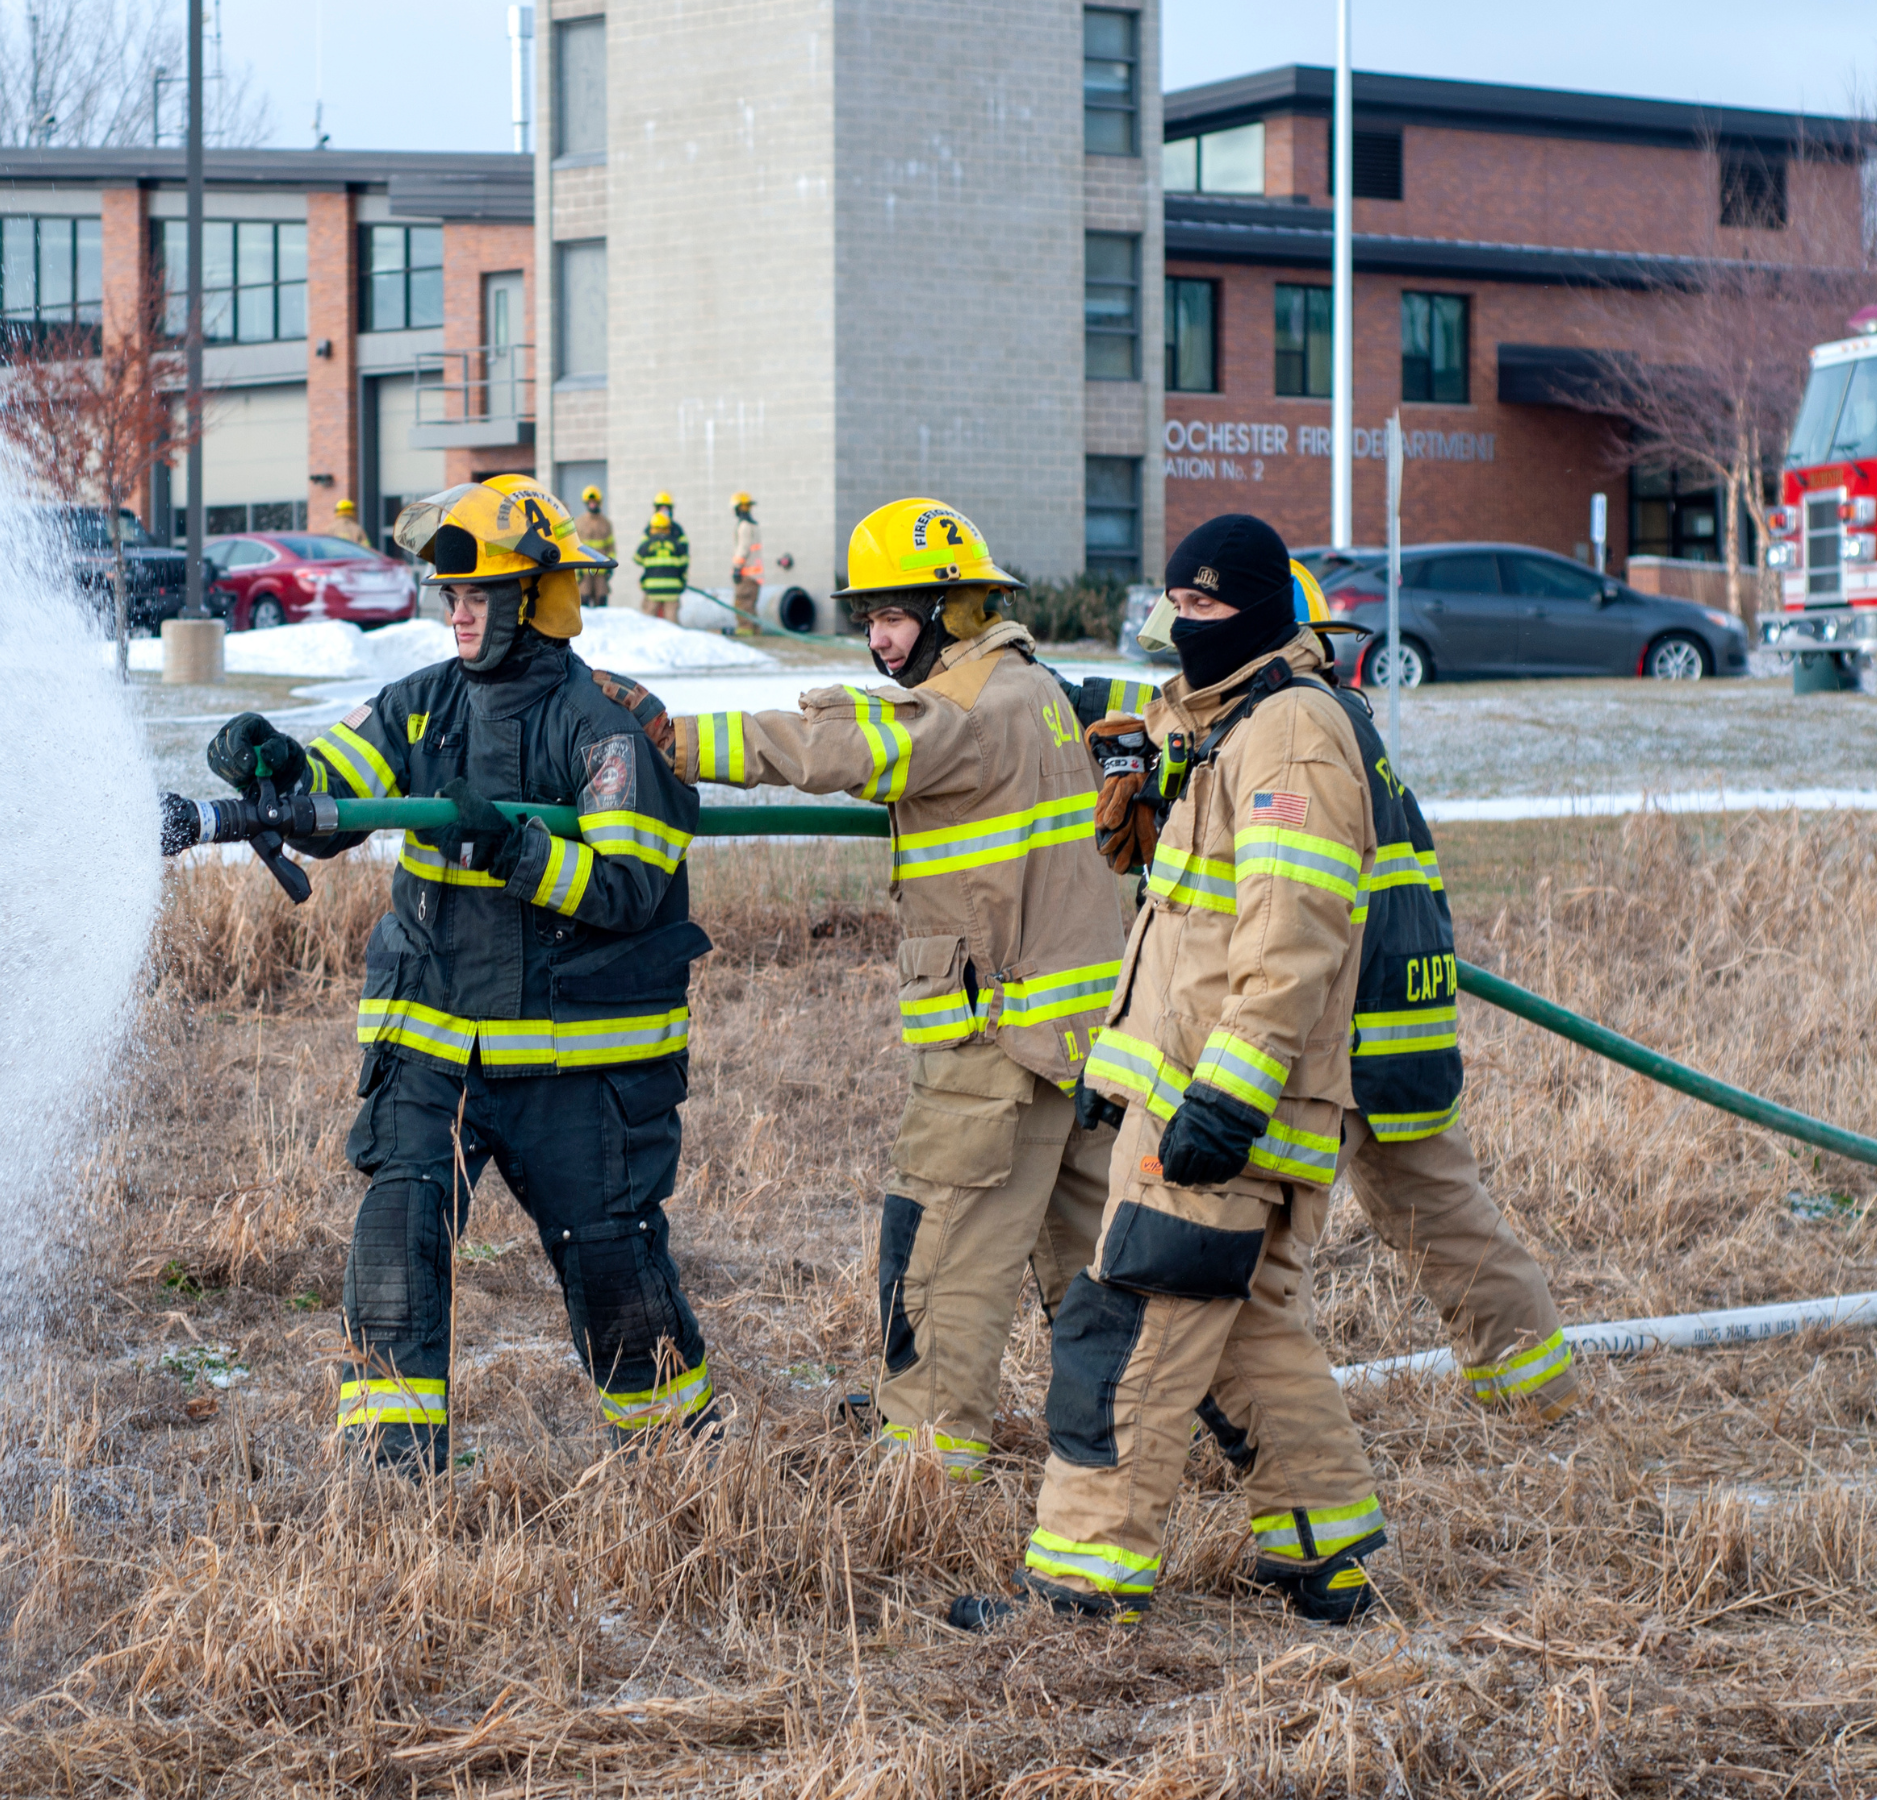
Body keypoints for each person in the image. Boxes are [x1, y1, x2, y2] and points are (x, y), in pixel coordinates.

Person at [202, 475, 716, 1473]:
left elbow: (629, 886)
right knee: (396, 1242)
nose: (459, 612)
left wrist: (515, 851)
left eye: (480, 594)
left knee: (611, 1259)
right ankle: (391, 1476)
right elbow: (336, 794)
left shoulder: (603, 724)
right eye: (452, 596)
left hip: (576, 1065)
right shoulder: (421, 705)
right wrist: (279, 771)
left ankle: (680, 1461)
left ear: (538, 599)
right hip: (435, 1048)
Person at [663, 498, 1129, 1483]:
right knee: (1091, 1268)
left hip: (993, 1050)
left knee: (942, 1265)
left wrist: (666, 743)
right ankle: (1135, 1443)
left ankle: (925, 1467)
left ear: (957, 612)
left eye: (897, 615)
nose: (877, 638)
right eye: (868, 616)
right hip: (1075, 1044)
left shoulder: (958, 711)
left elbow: (827, 746)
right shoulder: (1033, 688)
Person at [1004, 513, 1394, 1629]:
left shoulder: (1291, 736)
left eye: (1211, 607)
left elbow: (1292, 933)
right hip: (1200, 1090)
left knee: (1129, 1329)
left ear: (1268, 611)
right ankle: (1329, 1552)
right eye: (1177, 604)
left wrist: (1225, 1095)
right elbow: (1187, 912)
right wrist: (1142, 798)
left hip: (1222, 1102)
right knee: (1250, 1327)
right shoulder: (1227, 728)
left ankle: (1084, 1587)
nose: (1189, 626)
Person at [1096, 586, 1578, 1423]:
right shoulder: (1313, 713)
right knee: (1446, 1221)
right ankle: (1538, 1398)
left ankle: (1517, 1404)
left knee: (1265, 1270)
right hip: (1387, 1016)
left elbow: (1294, 912)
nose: (1183, 668)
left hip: (1347, 1029)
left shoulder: (1295, 729)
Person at [634, 493, 689, 623]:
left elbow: (639, 557)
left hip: (652, 587)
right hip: (672, 586)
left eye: (667, 508)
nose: (664, 511)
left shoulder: (676, 529)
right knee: (671, 623)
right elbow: (683, 560)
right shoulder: (670, 536)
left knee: (649, 622)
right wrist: (681, 579)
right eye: (661, 507)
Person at [575, 486, 617, 606]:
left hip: (601, 572)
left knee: (602, 601)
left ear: (599, 502)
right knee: (583, 603)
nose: (592, 505)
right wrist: (576, 569)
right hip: (584, 571)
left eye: (594, 502)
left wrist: (610, 565)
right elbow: (575, 547)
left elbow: (610, 547)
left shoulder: (606, 523)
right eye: (590, 503)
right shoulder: (579, 522)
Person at [728, 492, 763, 629]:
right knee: (750, 605)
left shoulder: (744, 526)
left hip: (746, 574)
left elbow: (743, 549)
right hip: (755, 575)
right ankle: (754, 630)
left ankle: (746, 630)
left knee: (742, 604)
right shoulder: (753, 526)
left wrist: (737, 567)